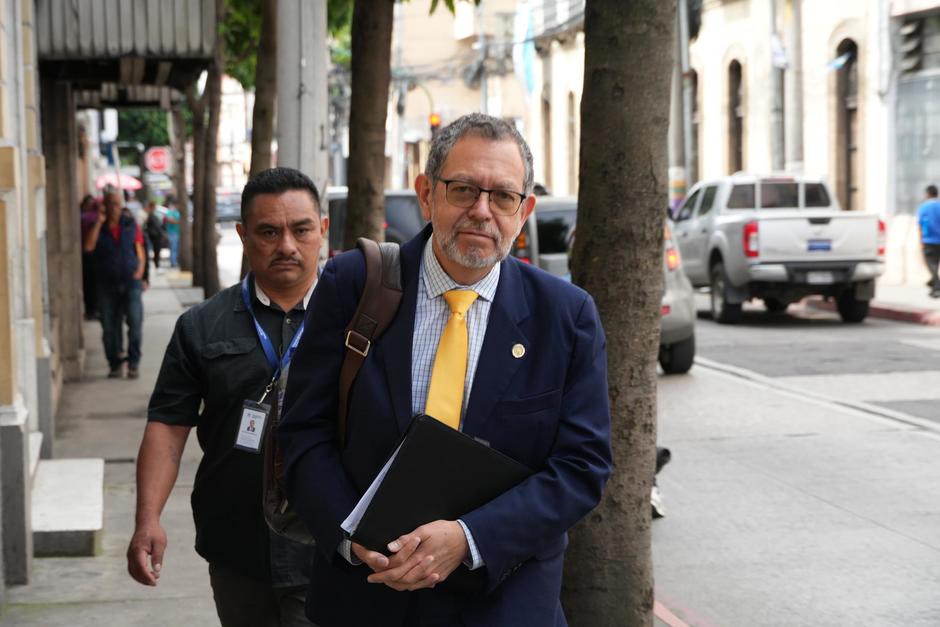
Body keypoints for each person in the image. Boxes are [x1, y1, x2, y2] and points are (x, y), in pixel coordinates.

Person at [278, 113, 613, 626]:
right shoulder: (354, 287)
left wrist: (469, 540)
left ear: (524, 211)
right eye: (463, 190)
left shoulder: (565, 317)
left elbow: (581, 466)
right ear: (427, 194)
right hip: (365, 595)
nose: (482, 211)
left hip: (501, 603)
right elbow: (303, 431)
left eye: (502, 197)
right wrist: (352, 536)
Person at [126, 167, 328, 627]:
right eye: (268, 232)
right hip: (237, 545)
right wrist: (147, 519)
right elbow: (168, 426)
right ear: (241, 234)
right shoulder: (202, 326)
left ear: (323, 230)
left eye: (301, 230)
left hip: (327, 548)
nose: (287, 247)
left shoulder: (359, 318)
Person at [82, 190, 146, 379]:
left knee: (135, 322)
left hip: (131, 282)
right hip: (106, 284)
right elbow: (88, 247)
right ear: (104, 206)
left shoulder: (130, 225)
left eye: (117, 204)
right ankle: (115, 363)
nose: (114, 208)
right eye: (110, 204)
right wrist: (99, 222)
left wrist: (141, 270)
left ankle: (133, 363)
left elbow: (140, 248)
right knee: (110, 326)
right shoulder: (96, 227)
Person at [917, 184, 940, 298]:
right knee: (935, 265)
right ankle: (933, 283)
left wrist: (920, 241)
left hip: (929, 240)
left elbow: (920, 225)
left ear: (927, 194)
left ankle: (936, 287)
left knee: (931, 264)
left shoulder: (924, 208)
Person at [80, 195, 101, 319]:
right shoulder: (91, 218)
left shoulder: (85, 217)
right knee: (92, 285)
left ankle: (92, 309)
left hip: (91, 255)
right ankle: (92, 309)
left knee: (90, 285)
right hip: (90, 254)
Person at [143, 200, 168, 269]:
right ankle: (156, 264)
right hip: (154, 235)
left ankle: (156, 264)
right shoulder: (150, 215)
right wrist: (162, 234)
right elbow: (156, 226)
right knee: (155, 250)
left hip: (154, 235)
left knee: (155, 250)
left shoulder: (152, 215)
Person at [163, 196, 182, 267]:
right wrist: (179, 222)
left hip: (177, 232)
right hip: (172, 232)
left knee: (176, 248)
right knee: (173, 248)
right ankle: (173, 262)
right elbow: (169, 219)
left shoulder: (177, 211)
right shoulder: (171, 211)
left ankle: (175, 261)